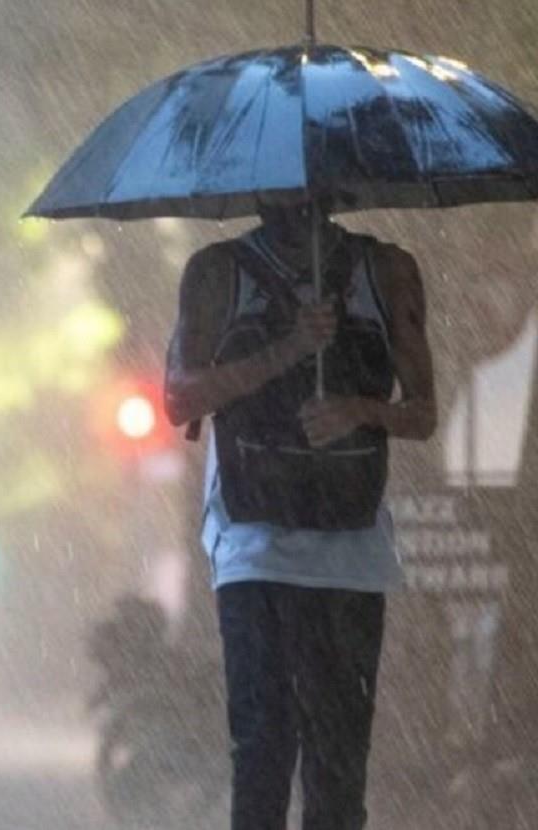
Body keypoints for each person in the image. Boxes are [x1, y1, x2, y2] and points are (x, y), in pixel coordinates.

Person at [163, 200, 436, 830]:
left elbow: (424, 413)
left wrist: (358, 411)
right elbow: (178, 399)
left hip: (351, 556)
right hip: (252, 548)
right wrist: (288, 350)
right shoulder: (215, 272)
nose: (296, 197)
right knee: (262, 749)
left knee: (338, 765)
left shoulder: (386, 270)